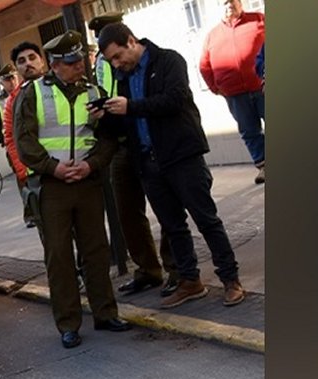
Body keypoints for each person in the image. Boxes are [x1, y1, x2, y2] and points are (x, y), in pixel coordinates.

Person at [97, 22, 247, 308]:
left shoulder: (169, 60)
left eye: (118, 56)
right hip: (149, 161)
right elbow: (130, 117)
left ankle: (230, 279)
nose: (117, 64)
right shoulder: (123, 75)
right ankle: (190, 281)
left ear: (131, 41)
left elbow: (174, 100)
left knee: (206, 220)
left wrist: (130, 106)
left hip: (182, 156)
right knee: (173, 226)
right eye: (111, 61)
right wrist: (106, 114)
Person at [12, 31, 134, 350]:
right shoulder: (33, 93)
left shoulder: (94, 91)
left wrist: (91, 165)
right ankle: (68, 323)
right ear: (54, 65)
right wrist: (54, 168)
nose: (79, 65)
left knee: (96, 250)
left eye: (80, 59)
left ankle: (105, 313)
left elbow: (109, 138)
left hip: (88, 182)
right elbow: (24, 141)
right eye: (70, 62)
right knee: (59, 256)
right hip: (52, 187)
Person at [88, 12, 179, 297]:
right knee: (127, 212)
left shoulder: (140, 61)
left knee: (165, 208)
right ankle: (148, 270)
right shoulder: (101, 64)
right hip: (119, 143)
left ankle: (175, 268)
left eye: (105, 32)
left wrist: (128, 107)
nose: (110, 57)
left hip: (144, 139)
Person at [200, 0, 266, 184]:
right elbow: (204, 65)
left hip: (262, 87)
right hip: (235, 94)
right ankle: (264, 167)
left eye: (233, 1)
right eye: (224, 2)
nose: (229, 4)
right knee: (249, 131)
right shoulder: (212, 35)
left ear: (240, 3)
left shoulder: (259, 20)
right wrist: (215, 87)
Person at [3, 41, 46, 228]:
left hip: (69, 167)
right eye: (21, 61)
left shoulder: (60, 85)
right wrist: (24, 173)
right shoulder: (13, 101)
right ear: (17, 68)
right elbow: (11, 140)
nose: (28, 63)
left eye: (32, 58)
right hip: (36, 174)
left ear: (42, 61)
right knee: (50, 234)